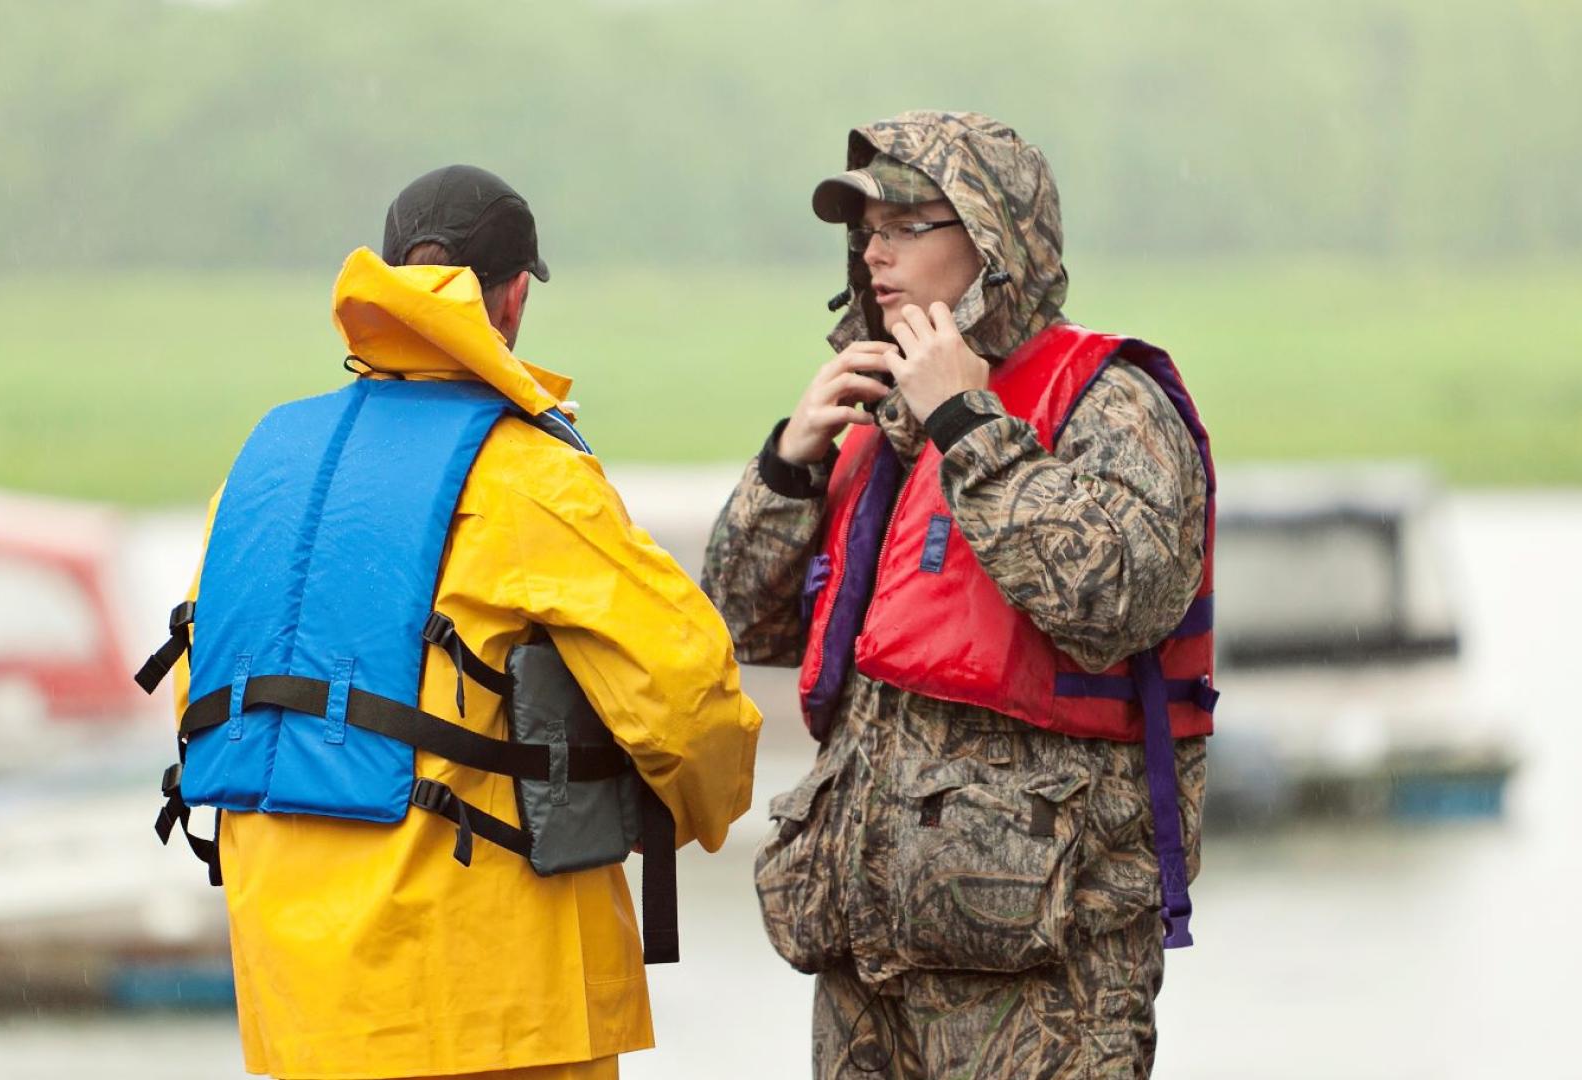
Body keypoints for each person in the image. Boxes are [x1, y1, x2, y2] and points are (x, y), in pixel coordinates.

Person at [147, 165, 762, 1080]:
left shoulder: (262, 466)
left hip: (302, 1005)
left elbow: (207, 693)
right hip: (493, 1005)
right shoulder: (530, 473)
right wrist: (681, 812)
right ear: (513, 301)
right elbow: (688, 693)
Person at [701, 111, 1216, 1078]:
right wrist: (790, 463)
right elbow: (736, 621)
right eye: (865, 232)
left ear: (992, 239)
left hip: (1046, 984)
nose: (875, 253)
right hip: (866, 974)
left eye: (905, 225)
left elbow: (1121, 598)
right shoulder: (871, 418)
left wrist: (965, 425)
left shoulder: (1111, 403)